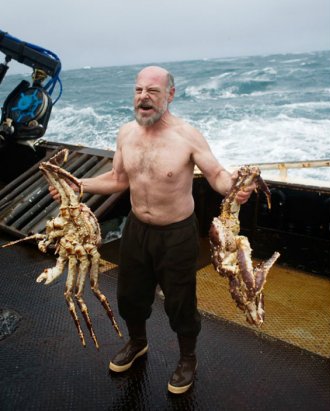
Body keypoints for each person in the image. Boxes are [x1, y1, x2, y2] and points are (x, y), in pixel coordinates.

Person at [50, 66, 255, 395]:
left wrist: (235, 188)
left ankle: (188, 358)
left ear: (169, 95)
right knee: (129, 296)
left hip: (177, 234)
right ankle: (137, 343)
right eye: (138, 90)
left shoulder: (187, 135)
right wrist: (78, 184)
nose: (143, 97)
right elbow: (118, 179)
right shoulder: (125, 134)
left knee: (180, 303)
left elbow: (216, 174)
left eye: (153, 91)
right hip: (137, 230)